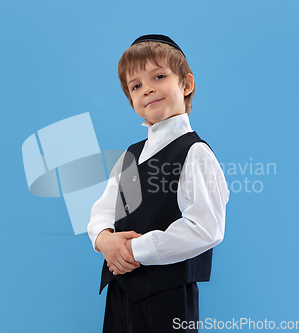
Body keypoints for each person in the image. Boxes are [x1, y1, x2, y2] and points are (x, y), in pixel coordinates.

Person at [87, 34, 230, 332]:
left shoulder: (194, 152)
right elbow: (103, 209)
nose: (147, 88)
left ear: (186, 84)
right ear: (131, 100)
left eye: (159, 76)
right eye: (136, 85)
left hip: (168, 297)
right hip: (121, 292)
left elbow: (205, 227)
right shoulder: (131, 155)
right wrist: (104, 239)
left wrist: (134, 251)